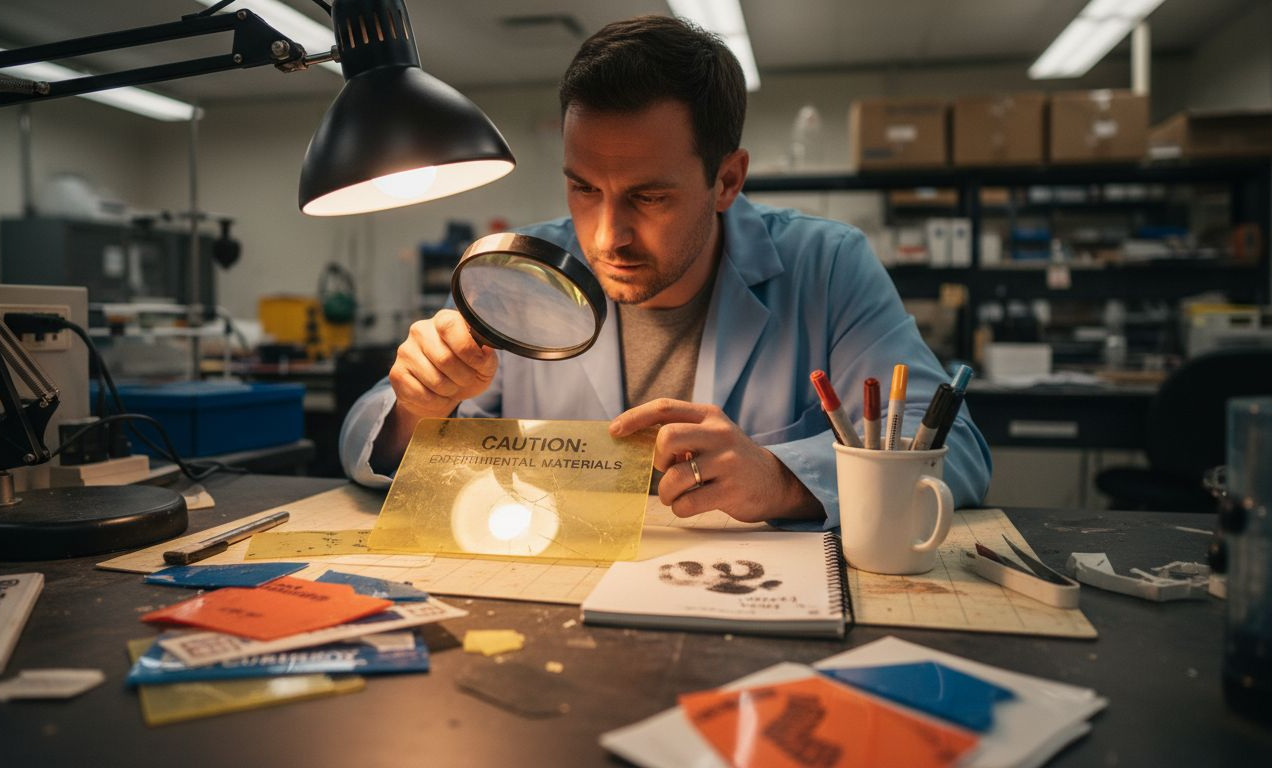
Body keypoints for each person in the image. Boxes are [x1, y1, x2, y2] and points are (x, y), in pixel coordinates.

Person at [341, 15, 992, 528]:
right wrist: (416, 407)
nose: (605, 235)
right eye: (584, 188)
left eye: (649, 197)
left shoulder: (826, 266)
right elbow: (362, 441)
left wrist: (782, 480)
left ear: (727, 180)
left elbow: (953, 448)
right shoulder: (525, 269)